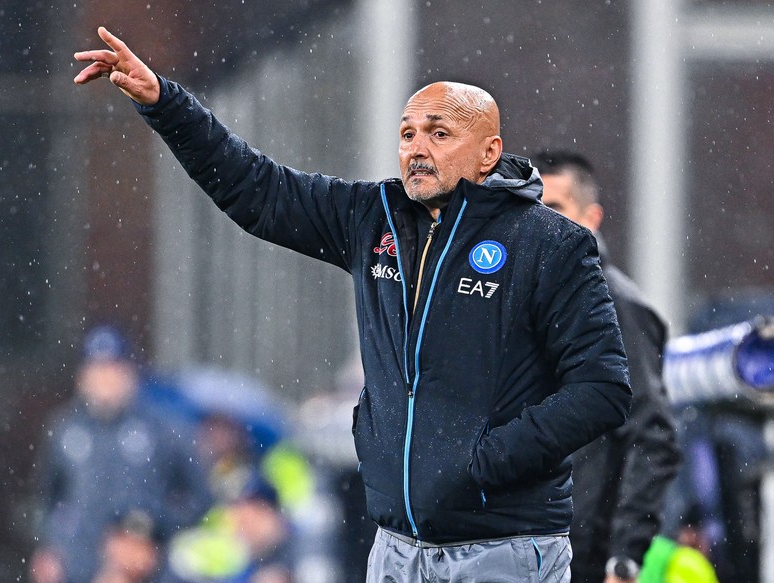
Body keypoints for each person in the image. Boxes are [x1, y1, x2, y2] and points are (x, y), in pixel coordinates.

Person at [73, 28, 633, 583]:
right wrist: (165, 104)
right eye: (408, 133)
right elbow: (257, 190)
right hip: (396, 551)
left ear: (489, 151)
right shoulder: (373, 217)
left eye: (439, 133)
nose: (417, 148)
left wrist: (486, 460)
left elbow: (603, 389)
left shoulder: (551, 244)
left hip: (504, 549)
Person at [535, 151, 681, 583]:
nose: (542, 222)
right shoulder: (522, 300)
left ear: (591, 217)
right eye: (531, 208)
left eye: (556, 209)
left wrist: (624, 555)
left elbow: (652, 436)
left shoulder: (616, 306)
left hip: (582, 553)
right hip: (522, 546)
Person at [30, 325, 211, 583]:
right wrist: (50, 547)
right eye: (97, 370)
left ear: (130, 374)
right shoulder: (64, 429)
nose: (105, 380)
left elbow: (199, 499)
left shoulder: (163, 429)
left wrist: (153, 532)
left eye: (113, 370)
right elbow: (49, 499)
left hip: (145, 571)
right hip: (81, 569)